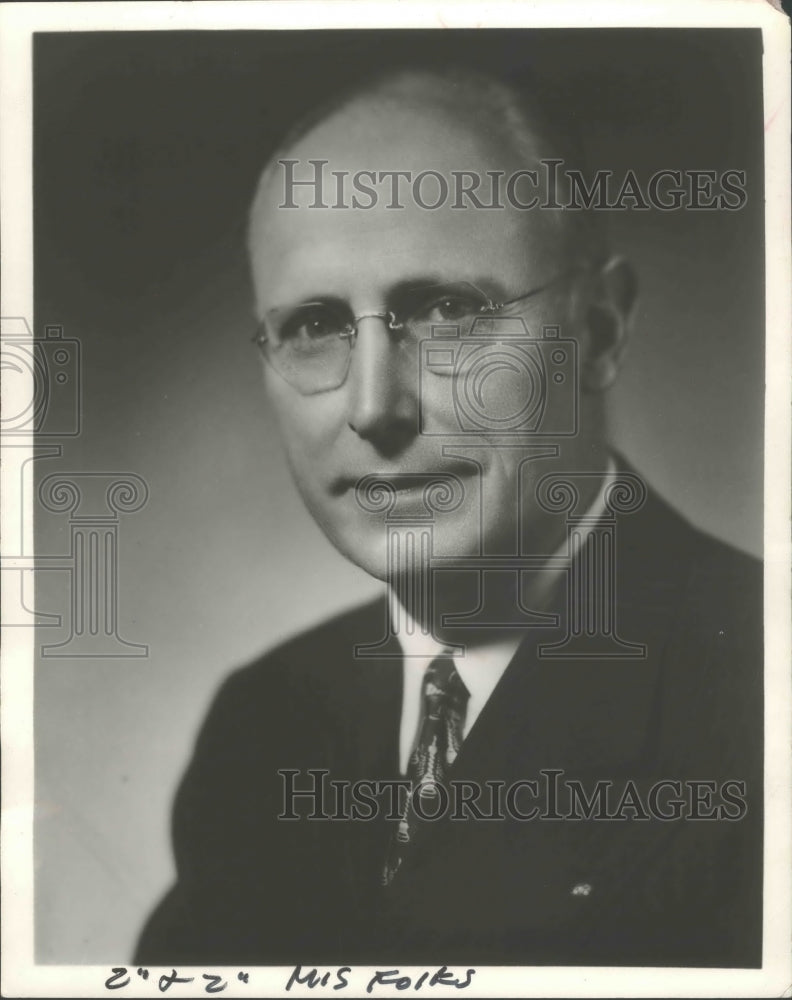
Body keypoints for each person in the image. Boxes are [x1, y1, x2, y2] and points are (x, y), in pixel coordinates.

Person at [135, 64, 762, 968]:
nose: (374, 407)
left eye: (445, 310)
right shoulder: (265, 725)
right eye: (314, 325)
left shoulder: (758, 700)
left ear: (599, 332)